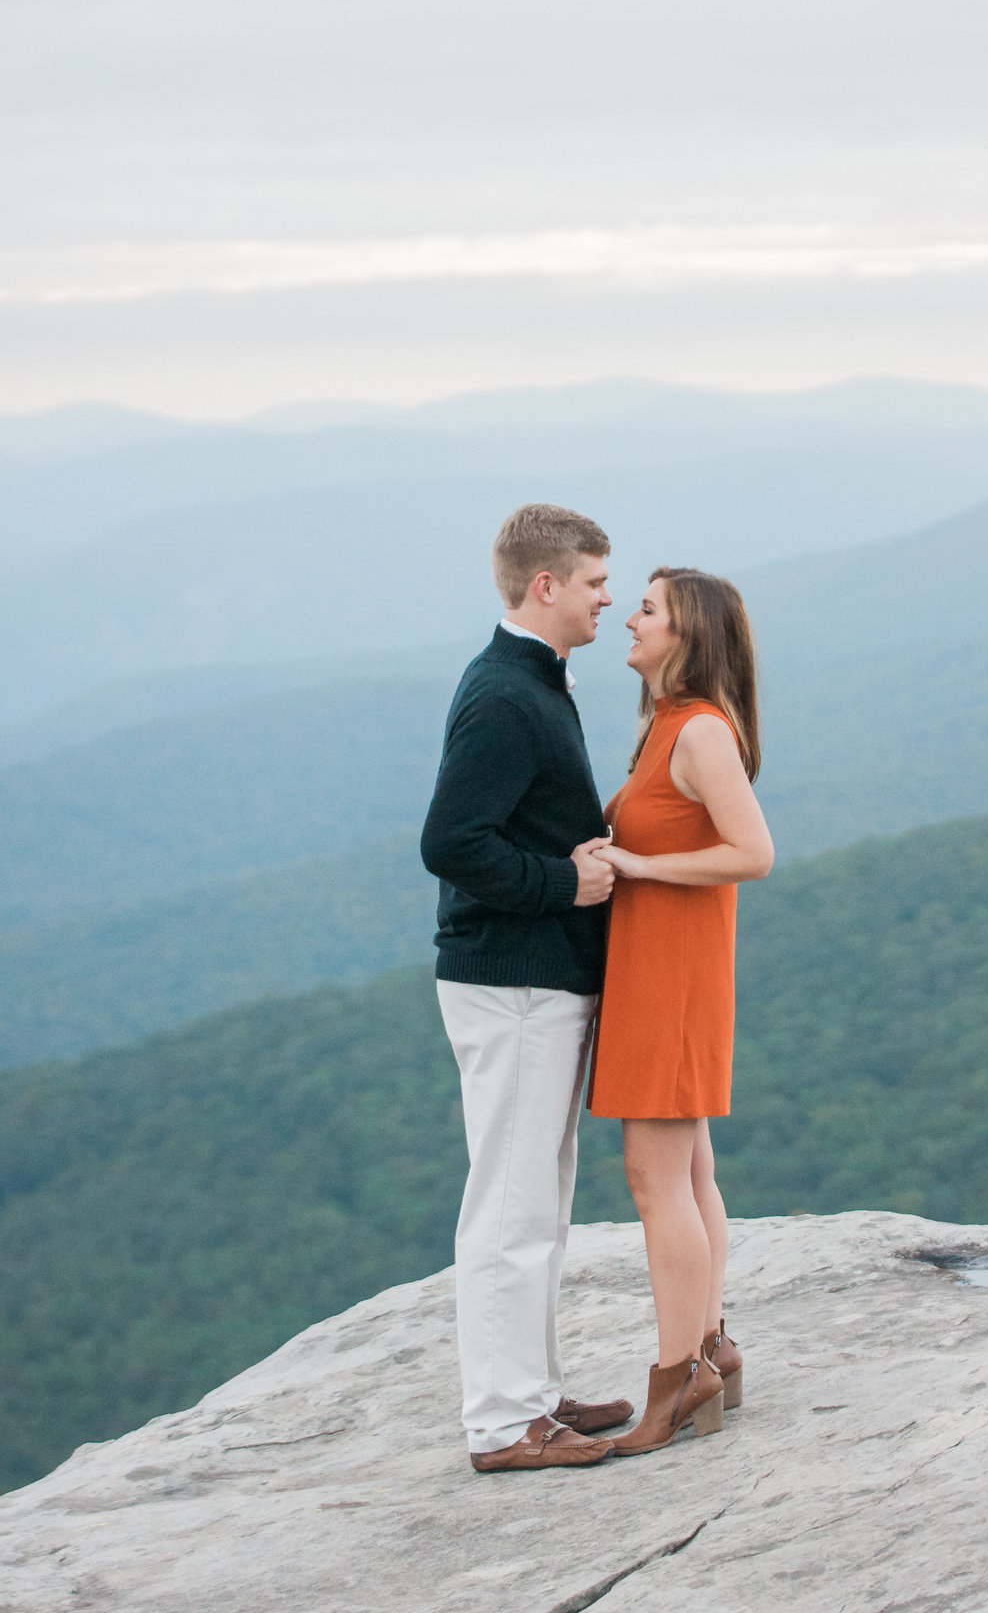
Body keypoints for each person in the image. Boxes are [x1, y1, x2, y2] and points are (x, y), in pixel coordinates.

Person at [420, 503, 633, 1473]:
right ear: (544, 585)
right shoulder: (506, 695)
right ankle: (504, 1423)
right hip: (511, 983)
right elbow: (451, 842)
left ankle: (535, 1394)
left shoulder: (532, 680)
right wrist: (568, 881)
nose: (606, 598)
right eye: (593, 582)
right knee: (510, 1201)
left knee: (537, 1196)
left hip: (536, 979)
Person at [589, 567, 774, 1456]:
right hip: (666, 970)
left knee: (654, 1178)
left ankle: (677, 1379)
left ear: (687, 634)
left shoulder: (698, 731)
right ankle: (711, 1350)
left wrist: (643, 868)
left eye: (649, 609)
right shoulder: (665, 724)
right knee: (691, 1174)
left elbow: (755, 851)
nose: (630, 617)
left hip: (671, 975)